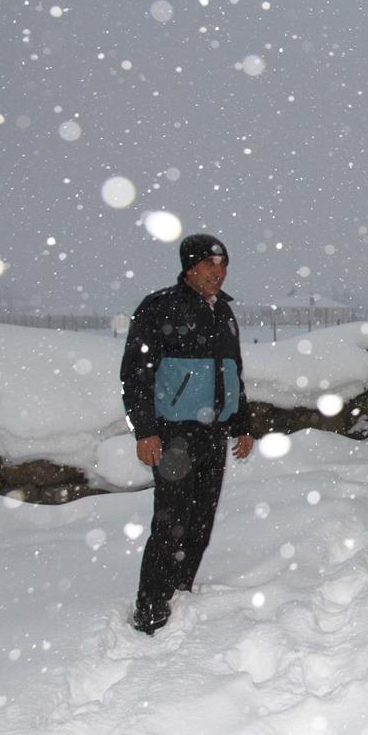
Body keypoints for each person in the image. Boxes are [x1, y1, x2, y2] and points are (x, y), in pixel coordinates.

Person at [120, 233, 254, 634]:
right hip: (173, 435)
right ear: (190, 267)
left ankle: (180, 590)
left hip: (214, 433)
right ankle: (151, 609)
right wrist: (145, 431)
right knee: (171, 523)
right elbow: (135, 376)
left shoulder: (223, 311)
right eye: (210, 264)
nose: (218, 272)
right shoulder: (159, 307)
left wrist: (242, 424)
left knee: (200, 522)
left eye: (223, 264)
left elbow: (232, 373)